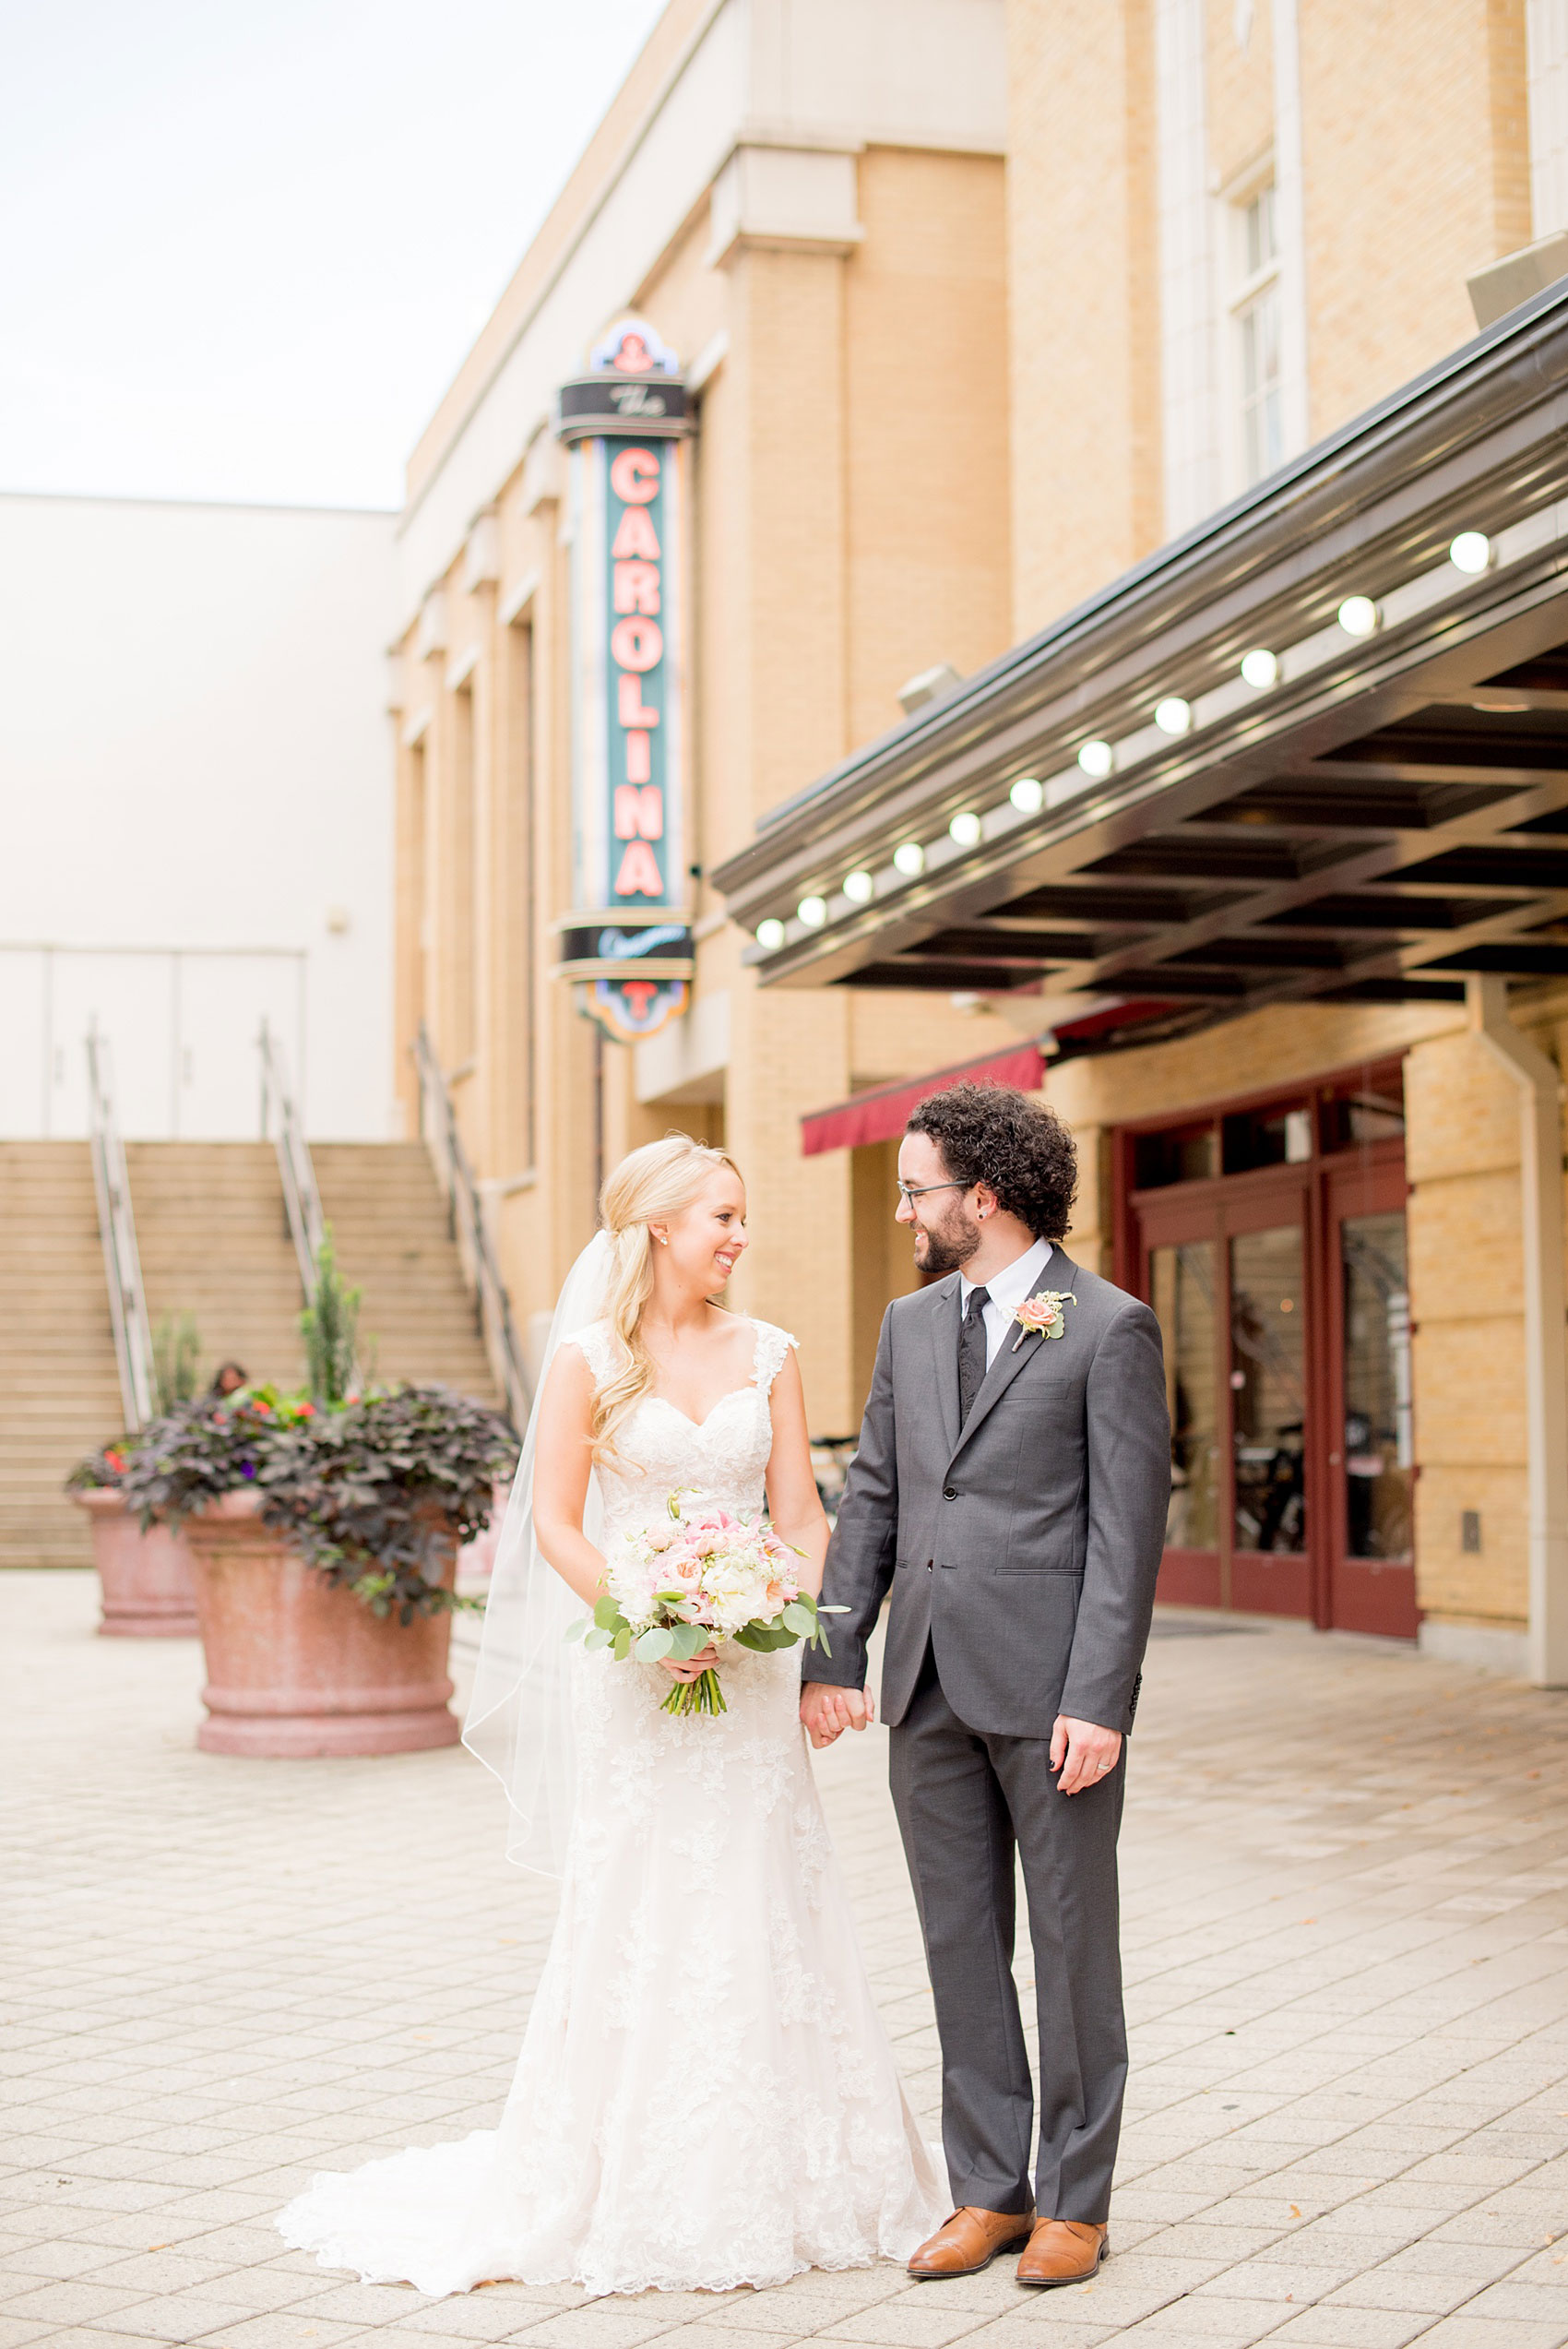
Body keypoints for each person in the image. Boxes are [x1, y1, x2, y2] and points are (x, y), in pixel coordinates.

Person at [278, 1134, 944, 2298]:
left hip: (746, 1671)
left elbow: (800, 1511)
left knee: (761, 1884)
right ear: (656, 1228)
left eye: (740, 1217)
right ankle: (618, 2170)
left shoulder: (771, 1353)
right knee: (638, 1891)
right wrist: (646, 1615)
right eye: (719, 1216)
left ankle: (800, 2167)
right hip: (636, 1669)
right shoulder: (587, 1357)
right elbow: (556, 1521)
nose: (738, 1236)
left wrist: (764, 1610)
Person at [801, 1084, 1170, 2290]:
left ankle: (1076, 2196)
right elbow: (875, 1497)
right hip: (927, 1685)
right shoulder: (911, 1324)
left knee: (1070, 1948)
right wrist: (832, 1654)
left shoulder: (1108, 1328)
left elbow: (1127, 1534)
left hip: (1054, 1690)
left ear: (985, 1195)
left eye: (917, 1188)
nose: (905, 1208)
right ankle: (989, 2190)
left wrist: (1101, 1696)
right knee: (960, 1942)